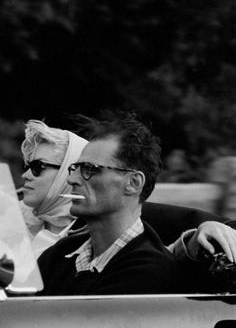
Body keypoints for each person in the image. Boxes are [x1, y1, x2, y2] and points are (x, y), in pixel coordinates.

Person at [38, 111, 236, 295]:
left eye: (90, 169)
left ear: (133, 183)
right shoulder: (60, 253)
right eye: (75, 168)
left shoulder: (151, 272)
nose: (71, 179)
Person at [20, 119, 88, 258]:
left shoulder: (93, 238)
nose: (25, 175)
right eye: (27, 167)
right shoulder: (13, 220)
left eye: (37, 167)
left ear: (68, 172)